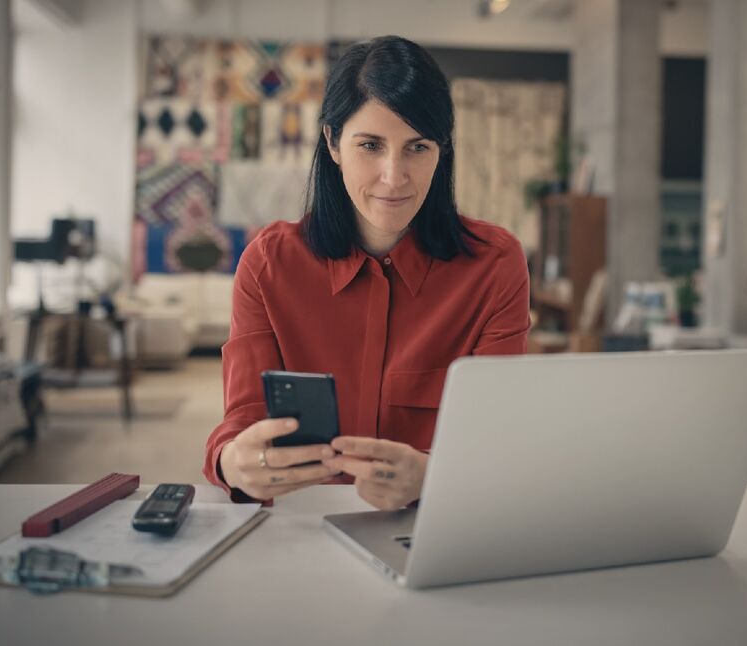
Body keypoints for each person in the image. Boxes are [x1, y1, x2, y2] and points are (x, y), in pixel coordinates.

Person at [203, 36, 531, 511]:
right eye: (371, 145)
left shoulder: (495, 265)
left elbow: (502, 441)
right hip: (297, 534)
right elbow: (244, 423)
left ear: (442, 151)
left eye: (417, 147)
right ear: (333, 142)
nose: (394, 176)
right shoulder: (268, 265)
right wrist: (233, 462)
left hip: (435, 530)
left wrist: (431, 474)